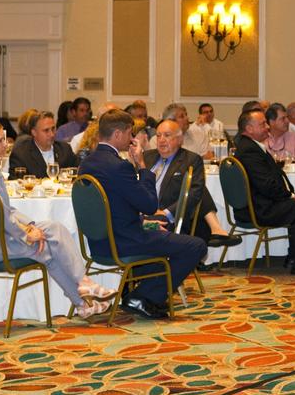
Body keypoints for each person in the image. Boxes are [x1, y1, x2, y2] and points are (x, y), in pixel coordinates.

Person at [0, 120, 115, 320]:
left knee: (53, 230)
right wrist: (26, 235)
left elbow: (5, 210)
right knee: (49, 246)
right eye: (0, 141)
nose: (6, 144)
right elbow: (1, 213)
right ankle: (83, 288)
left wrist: (30, 227)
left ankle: (82, 298)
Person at [79, 109, 205, 320]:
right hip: (124, 241)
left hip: (99, 242)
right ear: (118, 134)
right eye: (130, 134)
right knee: (195, 246)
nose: (132, 139)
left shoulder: (86, 163)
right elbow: (149, 204)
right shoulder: (119, 167)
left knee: (159, 252)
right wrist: (142, 166)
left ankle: (145, 296)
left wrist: (145, 223)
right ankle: (142, 297)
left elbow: (116, 206)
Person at [233, 108, 295, 275]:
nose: (267, 127)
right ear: (249, 129)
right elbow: (265, 184)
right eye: (262, 124)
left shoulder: (248, 146)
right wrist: (288, 195)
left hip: (259, 203)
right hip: (259, 208)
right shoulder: (249, 150)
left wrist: (289, 195)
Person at [142, 119, 240, 247]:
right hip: (141, 213)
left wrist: (165, 212)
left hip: (166, 215)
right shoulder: (146, 156)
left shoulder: (191, 160)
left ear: (179, 139)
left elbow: (193, 194)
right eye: (158, 135)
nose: (161, 140)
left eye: (167, 135)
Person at [9, 111, 77, 179]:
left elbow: (78, 173)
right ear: (34, 132)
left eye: (53, 129)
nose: (52, 134)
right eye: (46, 130)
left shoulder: (65, 149)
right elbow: (15, 183)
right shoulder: (21, 154)